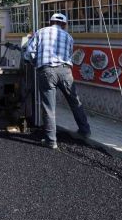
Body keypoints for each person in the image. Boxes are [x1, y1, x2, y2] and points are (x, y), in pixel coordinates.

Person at [24, 13, 91, 149]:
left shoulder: (40, 32)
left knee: (49, 107)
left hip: (47, 71)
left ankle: (51, 141)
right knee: (74, 101)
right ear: (64, 25)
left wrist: (35, 63)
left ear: (50, 22)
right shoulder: (69, 37)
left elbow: (29, 53)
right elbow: (69, 54)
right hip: (65, 71)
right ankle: (85, 131)